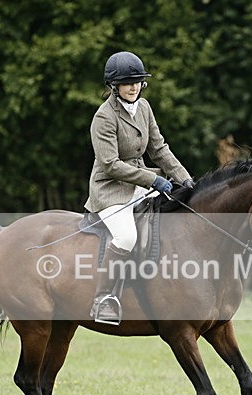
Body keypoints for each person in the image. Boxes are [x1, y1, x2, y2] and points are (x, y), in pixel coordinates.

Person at [84, 51, 194, 325]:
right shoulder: (104, 117)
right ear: (114, 86)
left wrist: (185, 179)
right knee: (126, 237)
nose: (133, 87)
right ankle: (103, 299)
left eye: (137, 82)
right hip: (110, 189)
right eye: (127, 82)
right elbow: (110, 164)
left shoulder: (144, 107)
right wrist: (152, 180)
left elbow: (159, 149)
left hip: (140, 182)